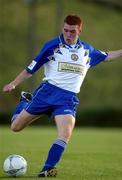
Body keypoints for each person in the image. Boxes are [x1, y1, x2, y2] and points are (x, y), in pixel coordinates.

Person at [3, 14, 122, 177]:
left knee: (65, 134)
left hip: (67, 99)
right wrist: (14, 83)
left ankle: (47, 168)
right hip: (46, 93)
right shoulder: (52, 46)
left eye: (72, 31)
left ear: (80, 30)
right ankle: (25, 101)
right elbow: (30, 69)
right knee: (15, 127)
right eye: (65, 30)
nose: (68, 34)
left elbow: (107, 56)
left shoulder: (87, 50)